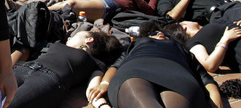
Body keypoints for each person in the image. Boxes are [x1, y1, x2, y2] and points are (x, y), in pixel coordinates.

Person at [88, 21, 222, 108]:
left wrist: (217, 104)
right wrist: (104, 84)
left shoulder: (182, 50)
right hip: (135, 71)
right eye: (153, 33)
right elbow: (115, 66)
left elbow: (206, 79)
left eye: (165, 34)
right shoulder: (135, 44)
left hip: (178, 77)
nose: (159, 34)